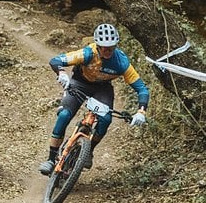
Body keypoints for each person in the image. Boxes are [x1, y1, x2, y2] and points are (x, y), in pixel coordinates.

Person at [40, 22, 148, 175]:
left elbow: (142, 89)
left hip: (102, 89)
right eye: (104, 47)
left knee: (105, 120)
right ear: (97, 46)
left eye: (111, 47)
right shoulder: (88, 53)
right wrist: (61, 73)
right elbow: (56, 60)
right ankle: (51, 159)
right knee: (64, 115)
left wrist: (141, 112)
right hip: (79, 83)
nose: (108, 51)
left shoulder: (121, 62)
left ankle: (88, 150)